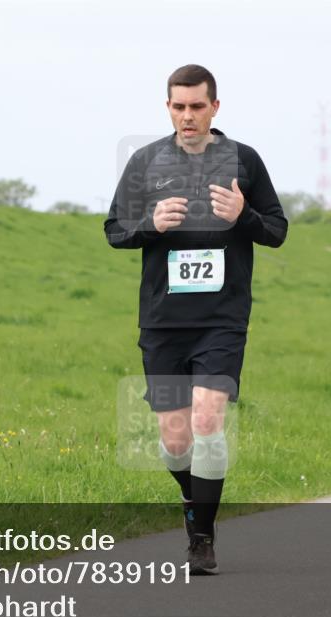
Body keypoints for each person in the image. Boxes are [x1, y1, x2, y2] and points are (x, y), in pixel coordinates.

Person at [103, 64, 287, 574]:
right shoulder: (145, 162)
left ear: (215, 107)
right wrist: (150, 224)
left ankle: (201, 540)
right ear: (168, 107)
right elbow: (114, 230)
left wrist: (242, 216)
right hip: (163, 320)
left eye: (197, 106)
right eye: (179, 107)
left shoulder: (243, 160)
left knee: (208, 419)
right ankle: (195, 503)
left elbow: (276, 230)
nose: (188, 116)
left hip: (221, 318)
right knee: (176, 439)